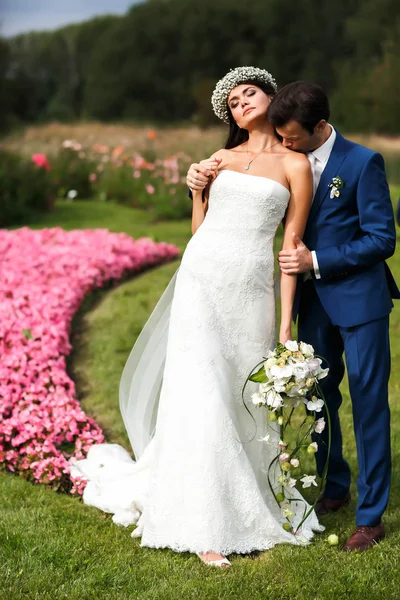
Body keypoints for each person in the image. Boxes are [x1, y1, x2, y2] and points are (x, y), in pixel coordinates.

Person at [70, 67, 323, 569]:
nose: (241, 103)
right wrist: (197, 190)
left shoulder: (296, 165)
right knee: (201, 389)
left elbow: (291, 248)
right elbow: (198, 231)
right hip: (202, 279)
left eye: (248, 93)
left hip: (251, 290)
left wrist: (285, 325)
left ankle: (246, 496)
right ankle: (203, 520)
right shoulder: (219, 160)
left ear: (271, 96)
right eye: (231, 103)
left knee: (239, 393)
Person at [193, 80, 400, 553]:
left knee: (368, 402)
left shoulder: (363, 162)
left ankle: (370, 517)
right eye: (281, 137)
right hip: (312, 304)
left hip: (360, 302)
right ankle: (335, 484)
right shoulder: (289, 158)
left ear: (321, 127)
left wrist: (317, 262)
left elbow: (382, 239)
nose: (285, 144)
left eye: (293, 139)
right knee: (320, 399)